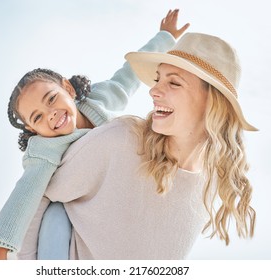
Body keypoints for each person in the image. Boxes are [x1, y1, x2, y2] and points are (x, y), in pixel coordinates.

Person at [19, 30, 257, 260]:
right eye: (157, 79)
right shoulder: (120, 140)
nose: (153, 90)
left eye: (173, 83)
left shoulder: (208, 184)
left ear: (212, 101)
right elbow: (36, 196)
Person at [0, 9, 189, 260]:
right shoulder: (44, 149)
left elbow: (128, 75)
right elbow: (24, 194)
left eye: (51, 99)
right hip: (71, 218)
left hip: (111, 202)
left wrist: (165, 37)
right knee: (54, 215)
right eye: (37, 118)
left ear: (68, 88)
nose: (51, 115)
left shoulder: (98, 101)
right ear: (32, 130)